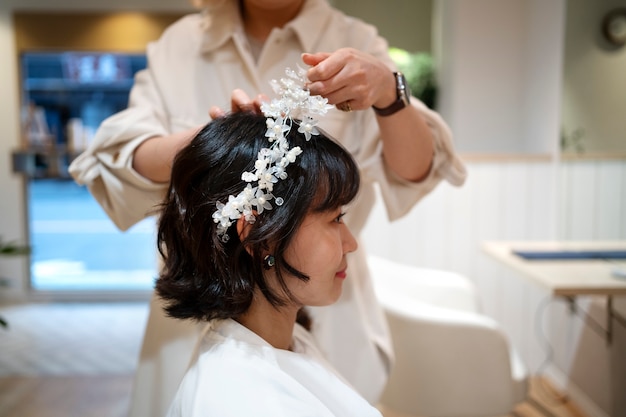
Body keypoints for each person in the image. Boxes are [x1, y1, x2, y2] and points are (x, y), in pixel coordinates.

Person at [69, 0, 467, 415]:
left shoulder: (356, 40)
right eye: (334, 217)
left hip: (320, 309)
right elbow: (118, 159)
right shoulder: (181, 45)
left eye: (338, 214)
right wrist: (216, 144)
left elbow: (417, 170)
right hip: (209, 310)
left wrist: (389, 93)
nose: (347, 239)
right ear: (252, 229)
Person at [155, 82, 381, 414]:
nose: (351, 242)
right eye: (334, 219)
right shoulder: (243, 399)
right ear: (259, 235)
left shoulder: (287, 340)